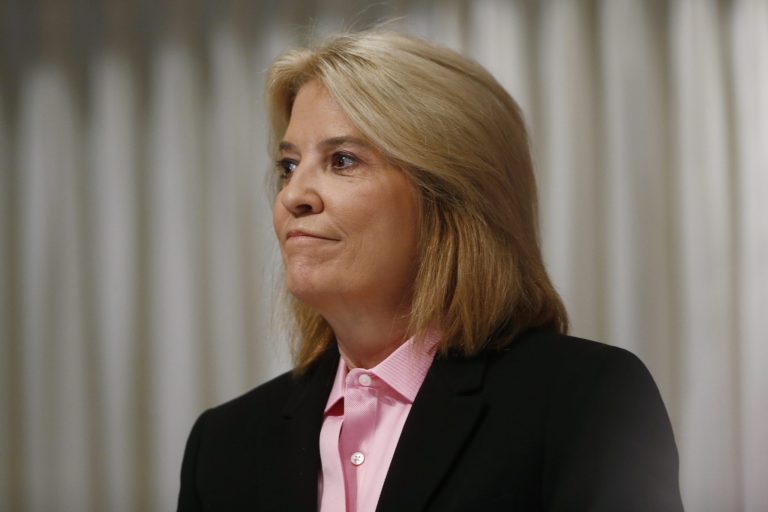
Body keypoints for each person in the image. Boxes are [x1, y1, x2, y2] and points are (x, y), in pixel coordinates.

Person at [177, 30, 684, 512]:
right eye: (289, 165)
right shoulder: (223, 446)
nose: (293, 196)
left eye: (344, 160)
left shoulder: (587, 401)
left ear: (450, 197)